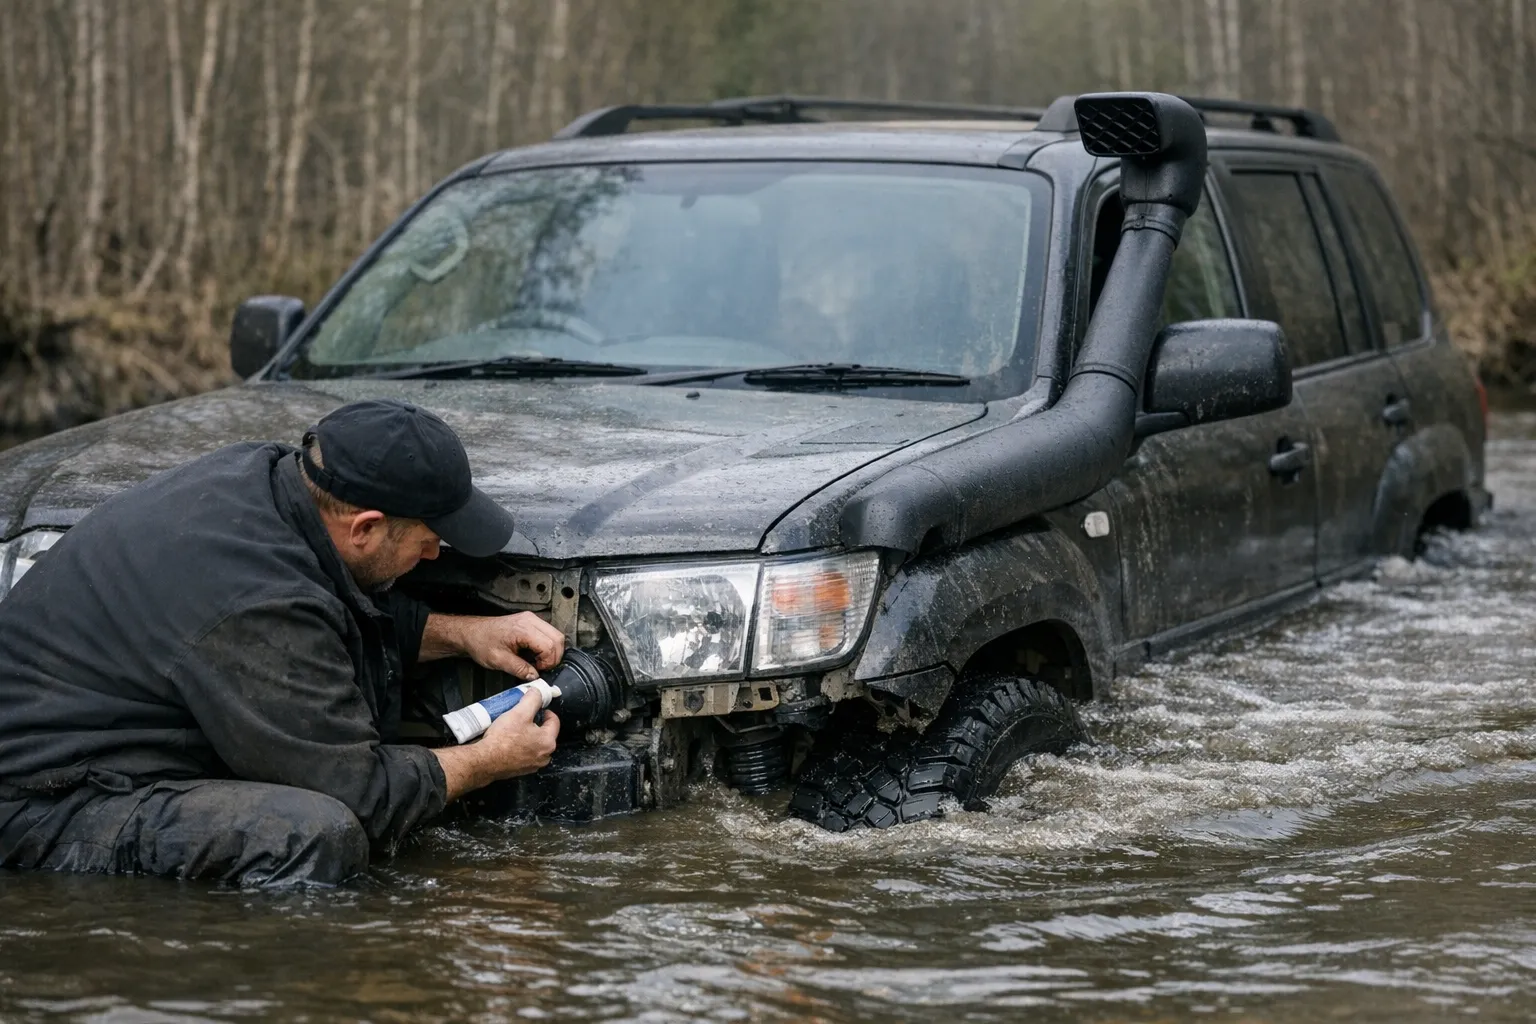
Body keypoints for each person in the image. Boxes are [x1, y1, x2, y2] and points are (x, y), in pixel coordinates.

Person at [0, 399, 564, 886]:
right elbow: (363, 797)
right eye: (429, 540)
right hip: (42, 805)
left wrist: (465, 633)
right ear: (364, 529)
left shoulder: (267, 479)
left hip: (103, 742)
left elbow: (326, 607)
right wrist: (487, 761)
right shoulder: (252, 601)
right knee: (311, 835)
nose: (436, 556)